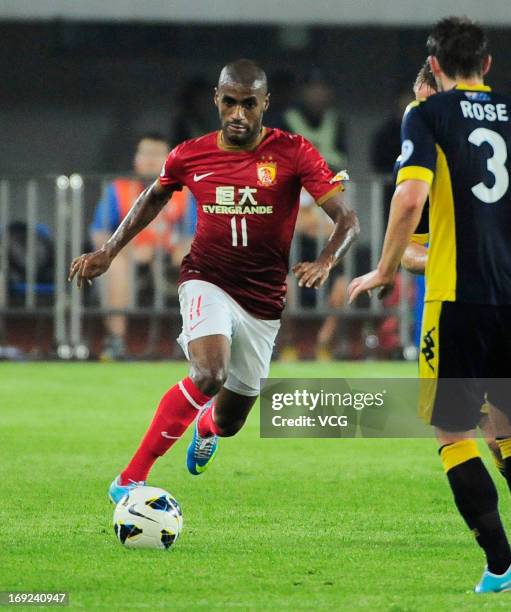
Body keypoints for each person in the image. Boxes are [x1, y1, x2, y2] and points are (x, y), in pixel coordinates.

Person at [69, 59, 359, 501]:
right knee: (209, 372)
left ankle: (205, 426)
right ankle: (129, 479)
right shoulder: (191, 153)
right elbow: (153, 197)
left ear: (265, 104)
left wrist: (325, 259)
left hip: (263, 300)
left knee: (230, 421)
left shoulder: (294, 152)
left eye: (248, 104)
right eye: (229, 103)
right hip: (207, 279)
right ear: (217, 101)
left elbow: (347, 219)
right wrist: (109, 250)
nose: (238, 114)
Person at [348, 17, 511, 593]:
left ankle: (499, 564)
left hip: (459, 299)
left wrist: (387, 268)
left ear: (435, 67)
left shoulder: (428, 115)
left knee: (453, 431)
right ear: (487, 65)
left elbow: (409, 194)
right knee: (508, 426)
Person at [90, 133, 187, 359]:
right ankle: (116, 342)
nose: (151, 160)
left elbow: (193, 233)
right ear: (136, 158)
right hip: (130, 260)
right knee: (115, 268)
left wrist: (182, 251)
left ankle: (197, 343)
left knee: (199, 263)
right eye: (146, 153)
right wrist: (127, 251)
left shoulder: (184, 192)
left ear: (169, 159)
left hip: (169, 262)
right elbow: (99, 234)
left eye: (158, 154)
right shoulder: (119, 189)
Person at [283, 71, 347, 169]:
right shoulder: (288, 119)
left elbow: (342, 158)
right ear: (303, 92)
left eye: (321, 89)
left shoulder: (335, 120)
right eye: (312, 89)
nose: (317, 94)